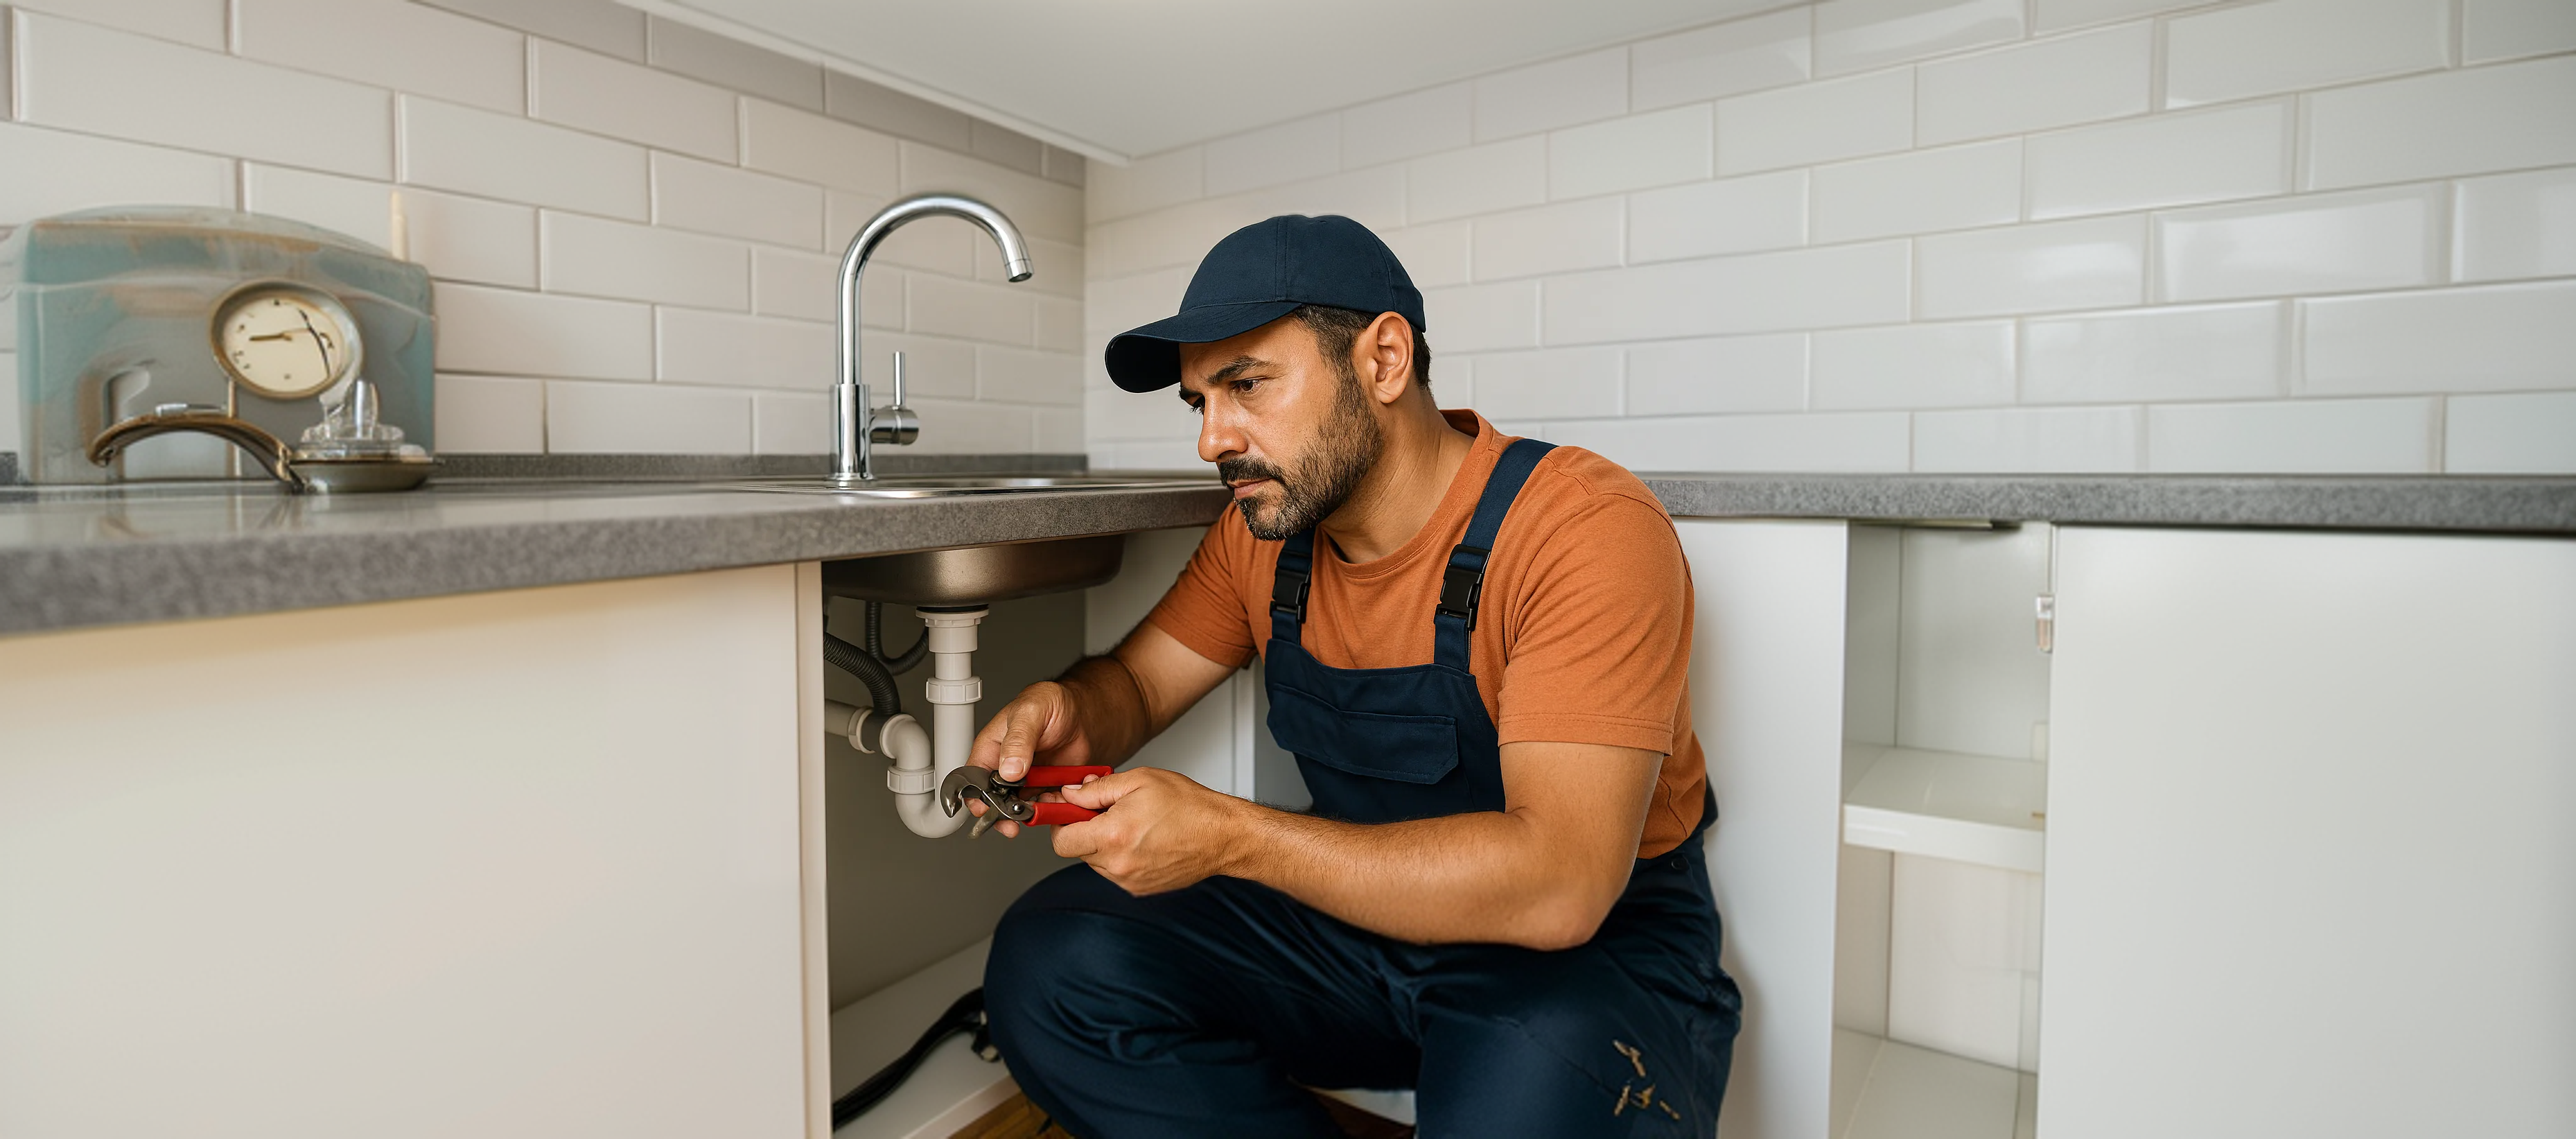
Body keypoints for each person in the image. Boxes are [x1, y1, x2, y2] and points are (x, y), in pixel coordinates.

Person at [970, 214, 1741, 1138]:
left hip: (1585, 956)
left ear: (1383, 359)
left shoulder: (1581, 528)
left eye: (1245, 384)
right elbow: (1135, 687)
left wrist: (1228, 836)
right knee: (1052, 963)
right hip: (1359, 918)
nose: (1212, 440)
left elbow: (1561, 886)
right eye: (1198, 402)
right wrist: (1069, 709)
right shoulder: (1267, 534)